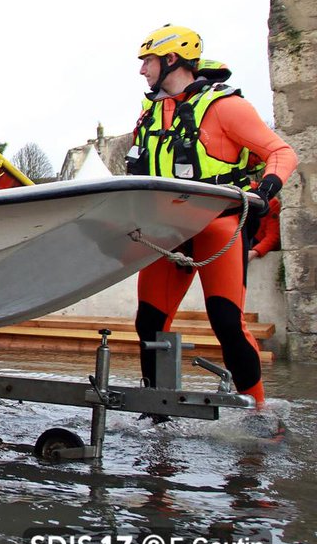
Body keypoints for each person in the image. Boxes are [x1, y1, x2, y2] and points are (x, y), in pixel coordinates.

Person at [126, 25, 297, 415]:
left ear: (172, 60)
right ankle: (157, 410)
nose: (142, 70)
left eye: (147, 61)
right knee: (148, 323)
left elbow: (282, 153)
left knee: (226, 322)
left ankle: (257, 410)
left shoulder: (226, 107)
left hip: (217, 225)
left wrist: (266, 190)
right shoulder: (151, 112)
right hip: (166, 230)